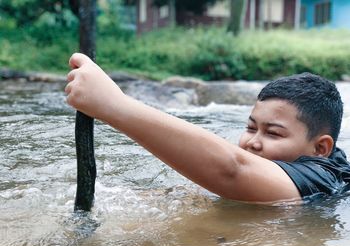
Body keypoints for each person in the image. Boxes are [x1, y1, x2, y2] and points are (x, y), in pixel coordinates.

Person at [65, 53, 350, 204]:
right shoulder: (305, 172)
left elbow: (233, 169)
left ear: (320, 148)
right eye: (251, 128)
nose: (253, 143)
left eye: (273, 133)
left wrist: (113, 105)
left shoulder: (324, 179)